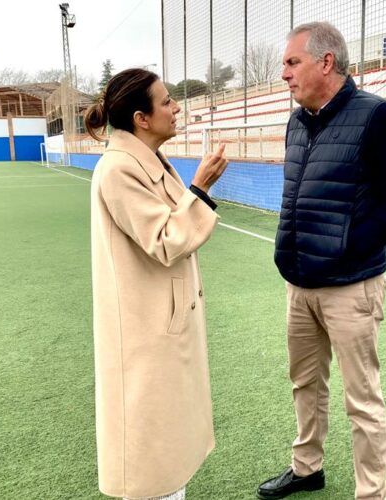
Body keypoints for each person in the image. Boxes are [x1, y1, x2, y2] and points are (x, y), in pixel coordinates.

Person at [257, 23, 386, 500]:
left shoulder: (378, 118)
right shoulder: (297, 121)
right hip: (299, 283)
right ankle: (307, 467)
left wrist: (346, 246)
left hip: (351, 286)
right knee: (304, 384)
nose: (283, 73)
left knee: (362, 400)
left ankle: (372, 493)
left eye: (292, 62)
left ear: (325, 63)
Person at [86, 68, 228, 500]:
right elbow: (166, 241)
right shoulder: (118, 170)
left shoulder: (147, 160)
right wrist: (200, 189)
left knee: (168, 459)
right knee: (150, 466)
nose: (176, 107)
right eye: (166, 101)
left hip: (163, 329)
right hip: (144, 337)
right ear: (141, 118)